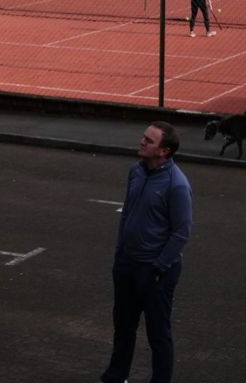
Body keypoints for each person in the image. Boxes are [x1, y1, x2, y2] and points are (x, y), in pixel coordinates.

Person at [100, 122, 192, 383]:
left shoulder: (177, 185)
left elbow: (181, 233)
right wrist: (121, 251)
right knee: (123, 327)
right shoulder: (136, 172)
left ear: (164, 151)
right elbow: (128, 212)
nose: (142, 142)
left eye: (149, 141)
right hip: (127, 264)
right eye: (143, 137)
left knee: (158, 335)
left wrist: (158, 267)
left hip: (155, 272)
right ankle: (115, 377)